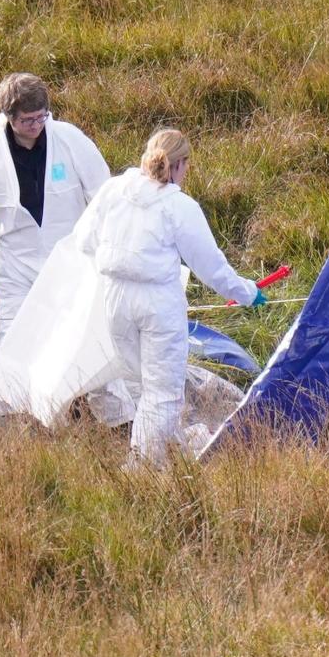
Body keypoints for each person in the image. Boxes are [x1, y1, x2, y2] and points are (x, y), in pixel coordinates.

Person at [76, 129, 265, 466]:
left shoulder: (113, 189)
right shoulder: (178, 206)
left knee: (145, 385)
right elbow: (210, 265)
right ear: (180, 165)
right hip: (157, 304)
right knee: (162, 393)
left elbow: (85, 241)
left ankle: (170, 448)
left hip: (114, 299)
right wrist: (247, 293)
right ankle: (142, 471)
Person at [0, 73, 111, 330]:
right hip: (16, 263)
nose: (36, 125)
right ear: (9, 116)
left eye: (41, 116)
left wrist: (109, 241)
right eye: (27, 120)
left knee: (72, 334)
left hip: (68, 256)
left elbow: (103, 194)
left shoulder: (70, 140)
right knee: (16, 334)